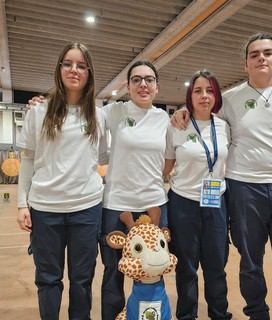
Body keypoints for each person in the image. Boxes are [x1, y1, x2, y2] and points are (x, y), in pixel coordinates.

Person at [172, 33, 272, 320]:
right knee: (251, 263)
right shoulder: (232, 98)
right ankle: (257, 314)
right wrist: (183, 110)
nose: (261, 57)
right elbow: (203, 109)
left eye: (267, 52)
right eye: (254, 54)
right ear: (246, 63)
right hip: (244, 188)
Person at [16, 43, 108, 320]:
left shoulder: (98, 115)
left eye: (81, 65)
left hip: (86, 209)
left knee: (82, 281)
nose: (74, 70)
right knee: (48, 279)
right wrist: (22, 203)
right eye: (68, 63)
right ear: (59, 68)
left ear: (89, 73)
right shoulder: (38, 111)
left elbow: (101, 159)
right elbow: (29, 160)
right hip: (46, 210)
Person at [100, 60, 169, 320]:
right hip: (118, 205)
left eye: (149, 79)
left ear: (157, 87)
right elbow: (81, 115)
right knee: (113, 271)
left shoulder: (164, 118)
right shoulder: (114, 112)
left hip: (154, 205)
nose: (143, 84)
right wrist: (41, 105)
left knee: (152, 272)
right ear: (128, 86)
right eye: (137, 79)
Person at [163, 70, 232, 320]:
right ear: (189, 96)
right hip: (183, 204)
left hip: (216, 202)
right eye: (198, 91)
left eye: (210, 90)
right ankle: (186, 315)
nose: (204, 96)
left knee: (216, 266)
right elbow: (165, 169)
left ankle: (219, 313)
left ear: (216, 95)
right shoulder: (177, 125)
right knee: (187, 268)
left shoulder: (224, 126)